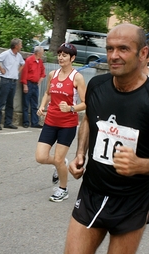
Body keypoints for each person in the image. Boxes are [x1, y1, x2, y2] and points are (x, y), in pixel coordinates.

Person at [65, 24, 149, 253]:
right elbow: (88, 121)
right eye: (110, 48)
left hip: (132, 202)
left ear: (142, 53)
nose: (114, 56)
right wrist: (80, 154)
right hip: (91, 192)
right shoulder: (96, 85)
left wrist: (141, 165)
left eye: (123, 48)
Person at [35, 43, 86, 202]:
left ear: (72, 58)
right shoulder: (53, 74)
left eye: (64, 55)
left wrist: (71, 108)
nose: (60, 58)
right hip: (50, 120)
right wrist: (43, 105)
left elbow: (86, 103)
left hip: (67, 124)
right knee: (40, 157)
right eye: (59, 54)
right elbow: (48, 93)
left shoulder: (77, 77)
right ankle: (61, 163)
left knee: (57, 159)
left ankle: (63, 189)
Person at [0, 38, 25, 130]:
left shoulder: (18, 56)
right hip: (6, 80)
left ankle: (8, 122)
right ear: (16, 46)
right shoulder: (6, 53)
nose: (21, 46)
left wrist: (17, 71)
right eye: (20, 44)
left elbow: (23, 63)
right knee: (1, 101)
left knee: (10, 103)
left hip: (13, 80)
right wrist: (1, 69)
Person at [21, 46, 46, 128]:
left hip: (35, 84)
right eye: (42, 52)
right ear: (38, 53)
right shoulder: (29, 60)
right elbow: (24, 73)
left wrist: (40, 80)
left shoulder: (40, 61)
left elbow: (43, 73)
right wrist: (25, 85)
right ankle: (25, 122)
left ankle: (34, 122)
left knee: (34, 104)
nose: (43, 54)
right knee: (26, 104)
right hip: (29, 83)